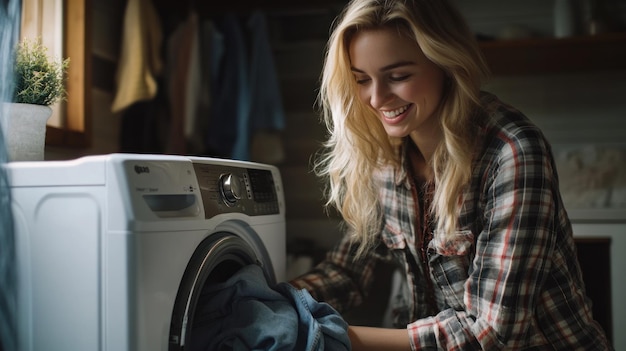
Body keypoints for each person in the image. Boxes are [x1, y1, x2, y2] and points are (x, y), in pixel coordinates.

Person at [288, 0, 613, 350]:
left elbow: (493, 333)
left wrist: (331, 336)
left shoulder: (513, 151)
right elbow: (349, 271)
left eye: (398, 76)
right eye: (362, 80)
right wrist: (273, 300)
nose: (377, 98)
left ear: (445, 62)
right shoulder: (383, 155)